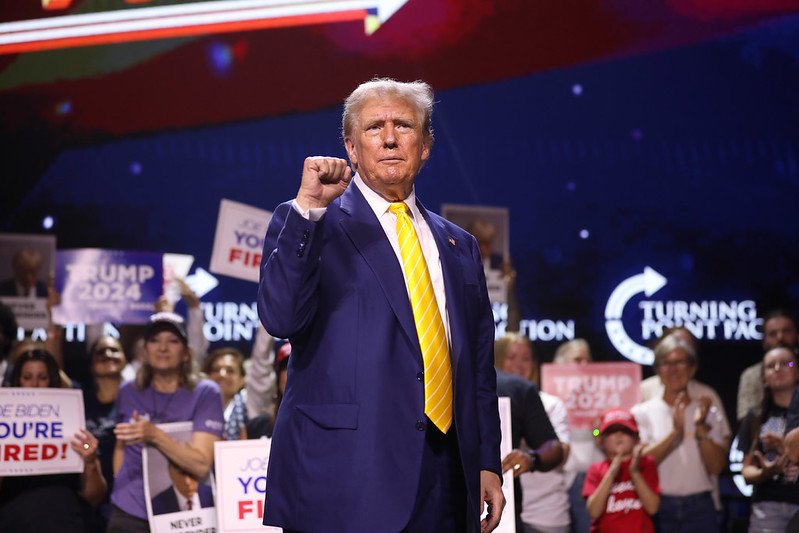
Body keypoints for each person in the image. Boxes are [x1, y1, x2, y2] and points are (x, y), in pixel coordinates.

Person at [257, 78, 504, 532]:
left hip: (447, 479)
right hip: (345, 478)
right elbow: (280, 318)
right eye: (374, 128)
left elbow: (478, 368)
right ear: (351, 147)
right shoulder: (313, 223)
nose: (389, 138)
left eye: (404, 125)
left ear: (425, 146)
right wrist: (309, 206)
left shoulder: (459, 245)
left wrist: (487, 459)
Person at [108, 312, 224, 532]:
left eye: (172, 341)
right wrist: (120, 485)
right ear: (145, 350)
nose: (162, 348)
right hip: (129, 510)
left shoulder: (206, 393)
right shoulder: (128, 391)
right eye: (154, 340)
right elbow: (120, 447)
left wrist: (154, 435)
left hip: (182, 516)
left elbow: (200, 464)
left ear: (186, 353)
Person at [632, 333, 730, 532]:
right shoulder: (642, 411)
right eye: (666, 363)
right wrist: (676, 432)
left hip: (700, 506)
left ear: (692, 367)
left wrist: (701, 427)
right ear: (657, 370)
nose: (673, 370)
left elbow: (716, 467)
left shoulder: (706, 409)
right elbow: (639, 463)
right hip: (658, 504)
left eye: (680, 362)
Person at [0, 349, 106, 532]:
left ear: (53, 381)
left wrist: (90, 462)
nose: (34, 384)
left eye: (42, 377)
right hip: (13, 522)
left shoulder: (74, 424)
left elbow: (95, 497)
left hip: (64, 523)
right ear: (17, 381)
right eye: (27, 377)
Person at [494, 333, 569, 533]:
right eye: (512, 357)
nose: (520, 365)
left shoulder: (522, 391)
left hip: (511, 509)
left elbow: (555, 448)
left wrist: (531, 458)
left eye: (526, 359)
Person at [736, 346, 799, 532]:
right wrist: (767, 472)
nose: (778, 368)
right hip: (768, 505)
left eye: (786, 363)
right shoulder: (755, 417)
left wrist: (786, 448)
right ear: (763, 378)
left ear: (797, 371)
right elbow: (746, 470)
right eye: (771, 366)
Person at [551, 338, 600, 533]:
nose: (584, 365)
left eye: (588, 360)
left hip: (590, 476)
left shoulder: (600, 392)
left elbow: (596, 432)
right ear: (561, 364)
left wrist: (597, 430)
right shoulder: (551, 395)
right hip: (558, 479)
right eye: (578, 359)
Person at [582, 409, 660, 533]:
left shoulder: (646, 463)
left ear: (636, 438)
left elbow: (652, 508)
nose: (619, 434)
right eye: (611, 431)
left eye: (625, 430)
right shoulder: (596, 469)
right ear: (601, 441)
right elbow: (594, 512)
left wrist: (635, 473)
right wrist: (611, 472)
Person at [83, 335, 127, 531]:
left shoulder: (141, 397)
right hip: (90, 499)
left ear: (125, 360)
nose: (108, 355)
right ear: (91, 365)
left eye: (115, 350)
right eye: (101, 352)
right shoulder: (80, 401)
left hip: (130, 501)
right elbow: (51, 367)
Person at [738, 310, 798, 420]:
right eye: (773, 333)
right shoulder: (751, 375)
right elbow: (748, 420)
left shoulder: (793, 364)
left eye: (786, 331)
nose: (780, 337)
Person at [203, 347, 249, 440]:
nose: (222, 374)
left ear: (242, 379)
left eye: (230, 370)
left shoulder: (249, 407)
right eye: (216, 370)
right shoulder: (197, 408)